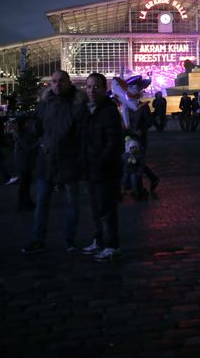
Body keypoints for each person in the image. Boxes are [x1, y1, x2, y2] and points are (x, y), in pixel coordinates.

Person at [21, 70, 87, 254]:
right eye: (54, 81)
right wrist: (35, 131)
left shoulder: (77, 103)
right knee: (42, 202)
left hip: (69, 161)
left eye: (61, 81)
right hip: (47, 160)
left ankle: (69, 239)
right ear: (51, 84)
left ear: (69, 82)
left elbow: (82, 133)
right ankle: (38, 239)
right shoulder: (45, 103)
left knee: (72, 203)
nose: (57, 85)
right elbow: (35, 125)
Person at [80, 73, 124, 262]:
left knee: (106, 209)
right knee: (96, 208)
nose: (91, 90)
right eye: (89, 86)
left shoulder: (108, 110)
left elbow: (114, 141)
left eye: (96, 86)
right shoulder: (86, 110)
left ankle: (111, 245)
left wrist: (102, 161)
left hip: (105, 168)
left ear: (104, 88)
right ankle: (99, 241)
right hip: (90, 167)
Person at [13, 113, 38, 211]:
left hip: (24, 160)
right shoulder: (21, 134)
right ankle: (23, 202)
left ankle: (26, 201)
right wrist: (38, 143)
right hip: (23, 161)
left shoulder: (24, 132)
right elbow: (27, 148)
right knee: (24, 183)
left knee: (26, 182)